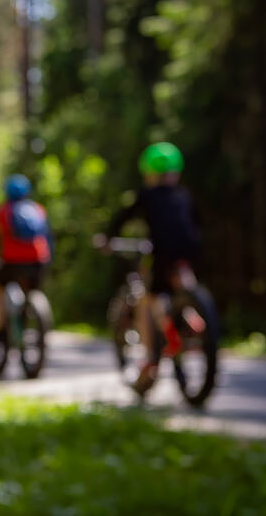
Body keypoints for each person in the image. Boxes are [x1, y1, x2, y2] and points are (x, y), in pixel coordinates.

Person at [99, 141, 201, 384]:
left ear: (148, 172)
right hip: (189, 255)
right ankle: (195, 319)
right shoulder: (183, 195)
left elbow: (122, 218)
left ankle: (149, 359)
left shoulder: (147, 196)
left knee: (146, 301)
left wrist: (107, 238)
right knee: (182, 285)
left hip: (161, 255)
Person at [0, 174, 54, 360]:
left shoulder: (3, 211)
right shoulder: (38, 209)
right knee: (31, 292)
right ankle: (28, 318)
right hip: (39, 262)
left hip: (11, 263)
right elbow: (48, 238)